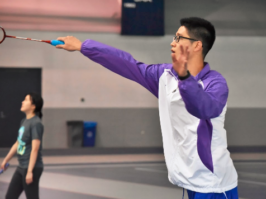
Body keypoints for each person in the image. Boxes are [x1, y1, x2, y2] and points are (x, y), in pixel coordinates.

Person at [56, 17, 239, 199]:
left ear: (197, 45)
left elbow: (204, 109)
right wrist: (83, 47)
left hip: (213, 184)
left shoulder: (215, 83)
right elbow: (128, 64)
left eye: (178, 38)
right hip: (188, 180)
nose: (172, 43)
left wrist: (184, 77)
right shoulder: (165, 76)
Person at [1, 93, 44, 199]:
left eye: (26, 100)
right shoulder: (24, 121)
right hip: (21, 166)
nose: (22, 102)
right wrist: (6, 159)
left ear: (33, 106)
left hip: (31, 168)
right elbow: (18, 143)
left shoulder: (36, 123)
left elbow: (35, 149)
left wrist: (30, 172)